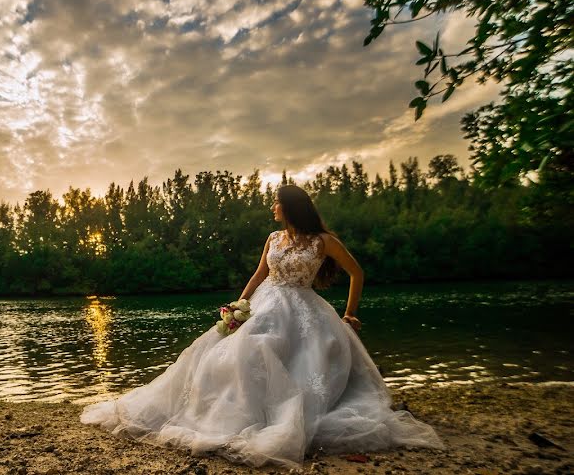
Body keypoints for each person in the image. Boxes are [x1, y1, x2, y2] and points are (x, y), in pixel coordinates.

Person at [79, 184, 444, 468]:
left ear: (289, 206)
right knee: (230, 352)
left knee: (291, 355)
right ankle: (236, 413)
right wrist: (237, 308)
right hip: (266, 303)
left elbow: (356, 273)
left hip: (304, 308)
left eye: (275, 202)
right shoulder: (273, 239)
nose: (272, 207)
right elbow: (259, 274)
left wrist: (349, 314)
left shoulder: (324, 241)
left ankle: (279, 418)